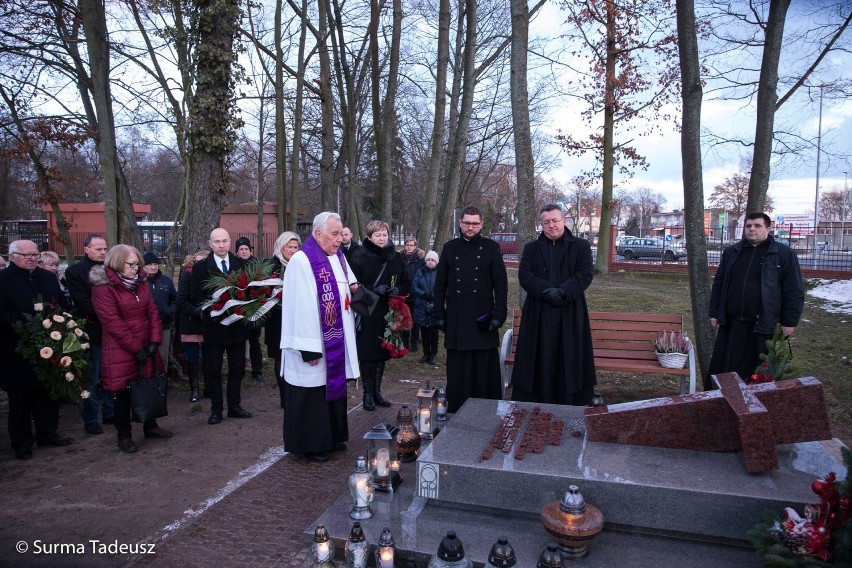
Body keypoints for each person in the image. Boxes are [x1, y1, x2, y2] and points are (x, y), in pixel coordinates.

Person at [279, 212, 359, 462]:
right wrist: (308, 348)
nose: (339, 240)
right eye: (334, 235)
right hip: (313, 344)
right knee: (312, 392)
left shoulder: (337, 257)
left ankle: (334, 436)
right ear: (317, 234)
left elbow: (348, 288)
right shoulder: (303, 261)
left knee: (332, 389)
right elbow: (299, 307)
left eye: (340, 234)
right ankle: (312, 443)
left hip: (335, 341)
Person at [705, 212, 804, 390]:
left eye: (757, 226)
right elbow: (719, 284)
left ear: (768, 228)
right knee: (727, 370)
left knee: (757, 374)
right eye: (748, 226)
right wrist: (714, 313)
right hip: (732, 323)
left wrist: (790, 322)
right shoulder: (732, 252)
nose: (752, 229)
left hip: (763, 324)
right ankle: (722, 402)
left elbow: (794, 290)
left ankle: (757, 409)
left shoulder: (783, 254)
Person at [510, 204, 596, 405]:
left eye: (555, 221)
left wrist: (563, 291)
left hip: (570, 311)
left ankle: (570, 399)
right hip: (538, 312)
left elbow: (585, 274)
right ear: (541, 225)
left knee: (570, 356)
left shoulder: (581, 246)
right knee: (539, 356)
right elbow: (525, 275)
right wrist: (546, 291)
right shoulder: (531, 248)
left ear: (563, 221)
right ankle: (538, 398)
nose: (551, 226)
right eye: (546, 222)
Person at [91, 244, 172, 453]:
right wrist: (136, 348)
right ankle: (124, 435)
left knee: (149, 384)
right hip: (122, 349)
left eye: (138, 264)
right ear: (118, 262)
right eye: (131, 264)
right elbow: (112, 322)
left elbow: (152, 312)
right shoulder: (104, 287)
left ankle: (150, 425)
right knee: (123, 393)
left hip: (146, 344)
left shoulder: (141, 283)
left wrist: (154, 341)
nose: (136, 268)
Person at [0, 240, 75, 460]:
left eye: (35, 255)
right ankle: (22, 441)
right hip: (16, 349)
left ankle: (47, 433)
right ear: (12, 256)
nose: (33, 259)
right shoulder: (3, 280)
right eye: (27, 255)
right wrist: (26, 322)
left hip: (49, 344)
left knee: (48, 392)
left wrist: (61, 320)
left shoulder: (47, 277)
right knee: (21, 398)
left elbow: (62, 304)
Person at [433, 206, 508, 413]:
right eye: (466, 223)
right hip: (457, 318)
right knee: (458, 369)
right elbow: (440, 285)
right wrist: (439, 314)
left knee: (484, 369)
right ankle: (457, 409)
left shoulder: (492, 248)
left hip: (483, 318)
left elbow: (500, 285)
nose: (470, 227)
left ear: (481, 224)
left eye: (475, 223)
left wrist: (499, 315)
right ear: (460, 223)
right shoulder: (449, 248)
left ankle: (485, 410)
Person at [190, 228, 251, 424]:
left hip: (237, 327)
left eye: (225, 241)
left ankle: (234, 406)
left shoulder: (240, 265)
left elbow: (248, 294)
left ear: (229, 241)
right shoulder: (200, 268)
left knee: (237, 368)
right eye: (217, 242)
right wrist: (214, 308)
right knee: (213, 370)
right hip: (214, 327)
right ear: (210, 243)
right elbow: (196, 297)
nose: (222, 245)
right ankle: (216, 409)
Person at [349, 219, 411, 411]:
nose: (382, 238)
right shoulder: (359, 256)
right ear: (369, 237)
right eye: (378, 235)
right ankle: (367, 393)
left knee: (382, 352)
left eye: (385, 234)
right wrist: (373, 289)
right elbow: (351, 285)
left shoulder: (396, 257)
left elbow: (407, 282)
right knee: (368, 353)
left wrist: (397, 289)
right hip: (368, 310)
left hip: (388, 311)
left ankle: (377, 391)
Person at [65, 234, 114, 435]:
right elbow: (84, 304)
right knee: (91, 378)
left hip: (113, 332)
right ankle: (91, 418)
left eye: (104, 249)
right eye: (98, 249)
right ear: (86, 249)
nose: (103, 252)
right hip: (92, 332)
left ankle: (111, 411)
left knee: (113, 374)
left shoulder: (112, 269)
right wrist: (113, 312)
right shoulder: (75, 272)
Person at [264, 231, 302, 408]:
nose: (293, 250)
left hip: (297, 318)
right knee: (280, 357)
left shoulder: (302, 264)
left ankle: (296, 392)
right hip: (277, 319)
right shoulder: (271, 266)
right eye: (290, 247)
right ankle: (284, 396)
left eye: (296, 247)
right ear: (281, 247)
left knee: (296, 356)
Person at [176, 250, 209, 402]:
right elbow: (181, 300)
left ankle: (209, 386)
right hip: (191, 321)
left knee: (210, 356)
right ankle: (195, 389)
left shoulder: (211, 276)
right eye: (199, 261)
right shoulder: (187, 276)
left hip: (209, 323)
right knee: (193, 356)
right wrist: (197, 312)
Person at [235, 236, 264, 383]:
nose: (244, 251)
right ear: (237, 251)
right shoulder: (233, 265)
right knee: (239, 341)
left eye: (247, 249)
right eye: (241, 249)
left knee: (255, 341)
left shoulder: (256, 264)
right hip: (239, 307)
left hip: (254, 308)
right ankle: (239, 369)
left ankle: (257, 370)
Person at [143, 252, 177, 374]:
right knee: (145, 358)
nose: (153, 267)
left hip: (164, 325)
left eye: (155, 264)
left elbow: (175, 298)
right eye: (150, 264)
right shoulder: (139, 282)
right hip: (144, 327)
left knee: (163, 357)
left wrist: (170, 310)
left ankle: (162, 384)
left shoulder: (166, 281)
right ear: (143, 266)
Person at [412, 250, 440, 365]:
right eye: (428, 260)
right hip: (422, 305)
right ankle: (425, 354)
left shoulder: (440, 273)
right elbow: (414, 286)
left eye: (432, 260)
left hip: (435, 304)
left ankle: (433, 354)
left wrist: (434, 296)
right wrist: (423, 294)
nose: (430, 262)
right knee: (424, 331)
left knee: (434, 331)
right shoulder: (420, 272)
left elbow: (444, 287)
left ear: (436, 262)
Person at [400, 236, 425, 353]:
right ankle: (404, 343)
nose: (409, 247)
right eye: (407, 245)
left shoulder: (420, 259)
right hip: (403, 293)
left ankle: (414, 343)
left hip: (416, 293)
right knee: (404, 318)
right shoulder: (400, 258)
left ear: (415, 246)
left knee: (415, 320)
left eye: (411, 245)